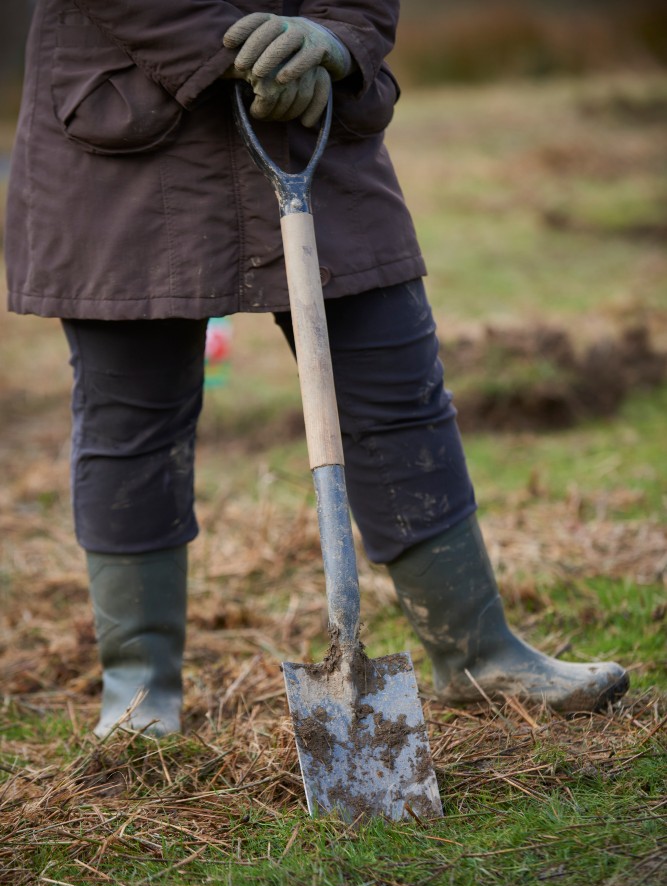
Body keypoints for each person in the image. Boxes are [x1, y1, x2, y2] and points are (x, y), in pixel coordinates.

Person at [5, 1, 628, 737]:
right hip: (130, 130)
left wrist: (334, 38)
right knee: (133, 418)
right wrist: (233, 49)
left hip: (311, 115)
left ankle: (478, 654)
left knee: (396, 390)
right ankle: (140, 695)